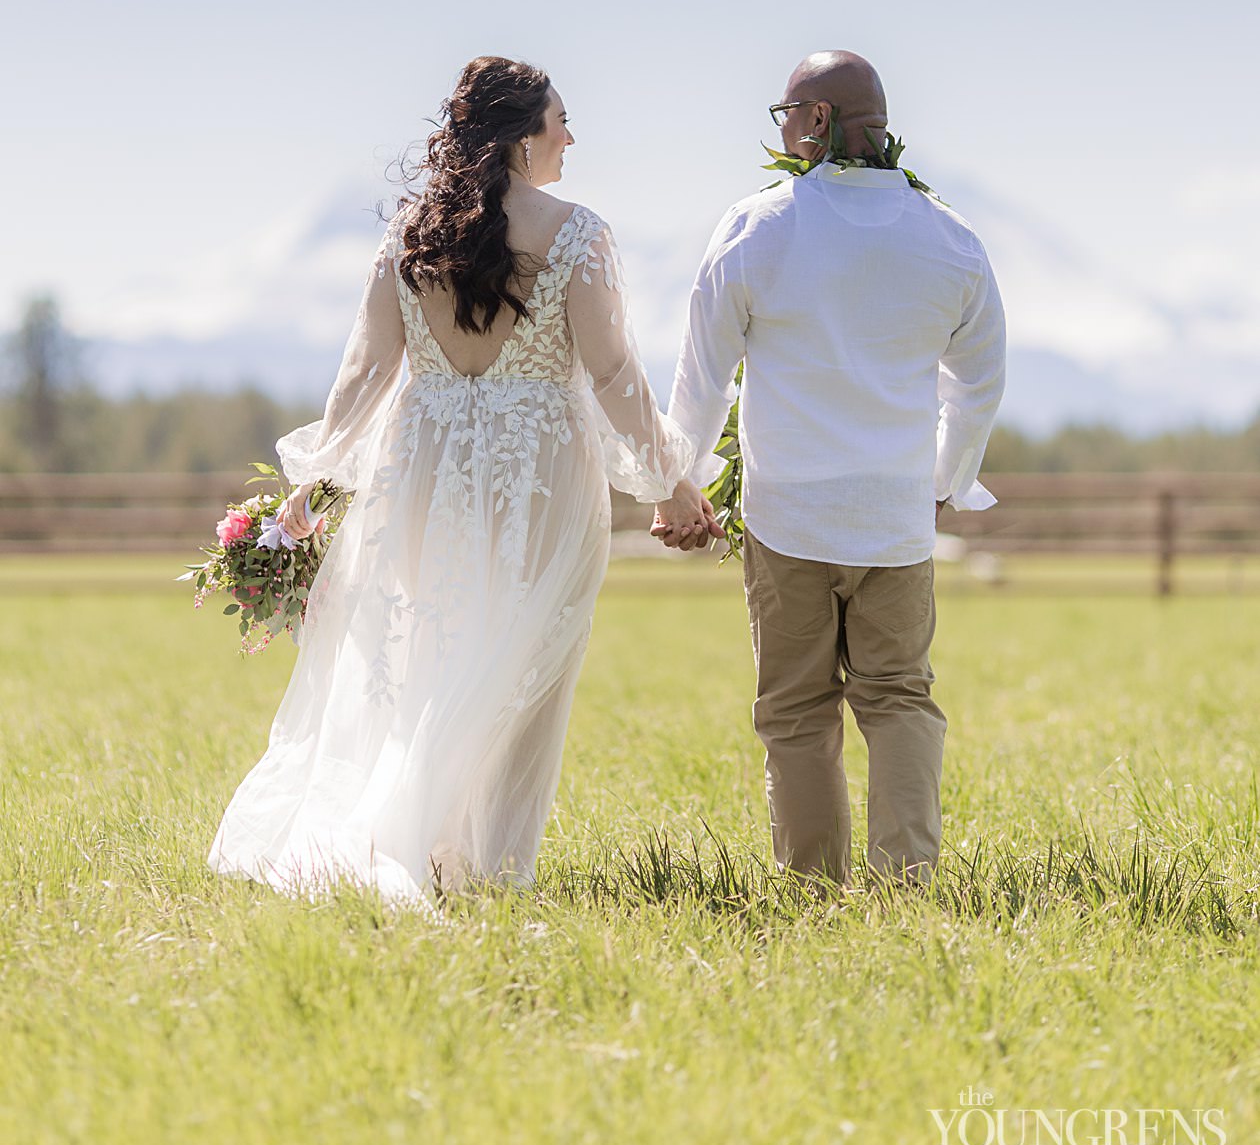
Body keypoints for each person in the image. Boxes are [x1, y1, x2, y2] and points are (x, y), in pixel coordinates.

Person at [208, 56, 710, 909]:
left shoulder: (410, 231)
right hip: (540, 467)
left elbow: (365, 373)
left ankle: (431, 843)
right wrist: (669, 481)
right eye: (561, 120)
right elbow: (615, 372)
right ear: (523, 134)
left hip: (425, 461)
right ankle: (487, 863)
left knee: (426, 655)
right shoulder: (577, 231)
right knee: (527, 661)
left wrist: (323, 474)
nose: (571, 137)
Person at [655, 50, 1006, 890]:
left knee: (795, 709)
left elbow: (701, 376)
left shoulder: (757, 227)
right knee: (901, 699)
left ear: (816, 120)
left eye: (784, 113)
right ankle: (905, 885)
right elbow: (981, 385)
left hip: (788, 518)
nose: (779, 130)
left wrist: (680, 484)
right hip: (894, 517)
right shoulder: (951, 239)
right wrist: (944, 479)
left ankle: (813, 887)